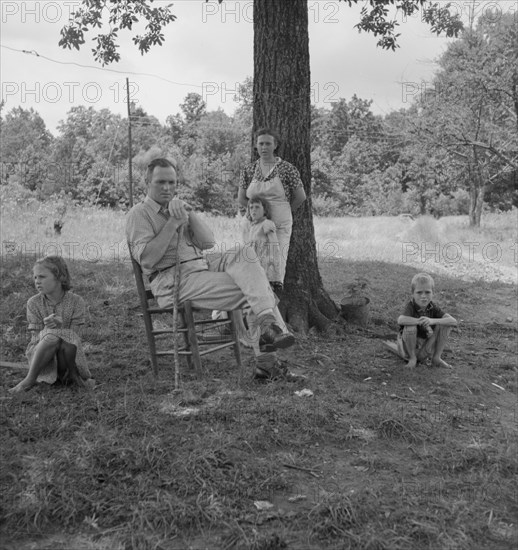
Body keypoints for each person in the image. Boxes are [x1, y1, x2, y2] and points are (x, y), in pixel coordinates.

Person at [125, 158, 296, 380]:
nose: (167, 188)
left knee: (243, 252)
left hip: (202, 265)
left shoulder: (177, 208)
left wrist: (189, 213)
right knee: (254, 287)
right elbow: (147, 260)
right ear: (147, 181)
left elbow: (208, 243)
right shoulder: (138, 214)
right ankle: (267, 361)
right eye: (160, 182)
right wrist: (172, 224)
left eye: (172, 182)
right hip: (173, 280)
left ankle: (266, 325)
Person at [9, 256, 92, 393]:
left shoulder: (77, 301)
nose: (37, 281)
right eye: (35, 277)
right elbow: (35, 337)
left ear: (60, 277)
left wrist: (60, 329)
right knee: (51, 337)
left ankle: (71, 374)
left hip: (67, 355)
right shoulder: (33, 303)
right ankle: (30, 379)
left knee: (65, 339)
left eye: (42, 277)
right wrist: (49, 329)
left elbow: (76, 337)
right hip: (42, 357)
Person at [238, 128, 306, 284]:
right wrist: (256, 215)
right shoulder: (249, 170)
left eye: (268, 143)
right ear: (256, 146)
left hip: (279, 225)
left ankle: (272, 302)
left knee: (275, 263)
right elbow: (241, 198)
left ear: (275, 145)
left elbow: (300, 197)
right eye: (260, 143)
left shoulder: (287, 169)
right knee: (251, 263)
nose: (264, 147)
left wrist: (285, 212)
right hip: (253, 225)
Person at [396, 273, 457, 369]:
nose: (423, 296)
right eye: (419, 292)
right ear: (413, 293)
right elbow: (401, 319)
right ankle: (412, 359)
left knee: (445, 323)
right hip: (408, 349)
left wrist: (432, 321)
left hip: (425, 348)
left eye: (427, 292)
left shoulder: (432, 307)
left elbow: (453, 321)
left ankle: (436, 358)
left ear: (433, 293)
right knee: (410, 326)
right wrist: (419, 321)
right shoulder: (411, 306)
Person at [243, 195, 283, 294]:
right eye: (251, 207)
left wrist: (273, 263)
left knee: (265, 289)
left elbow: (274, 244)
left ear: (265, 210)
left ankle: (271, 307)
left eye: (257, 207)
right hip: (253, 261)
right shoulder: (252, 226)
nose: (253, 210)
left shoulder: (266, 224)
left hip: (263, 262)